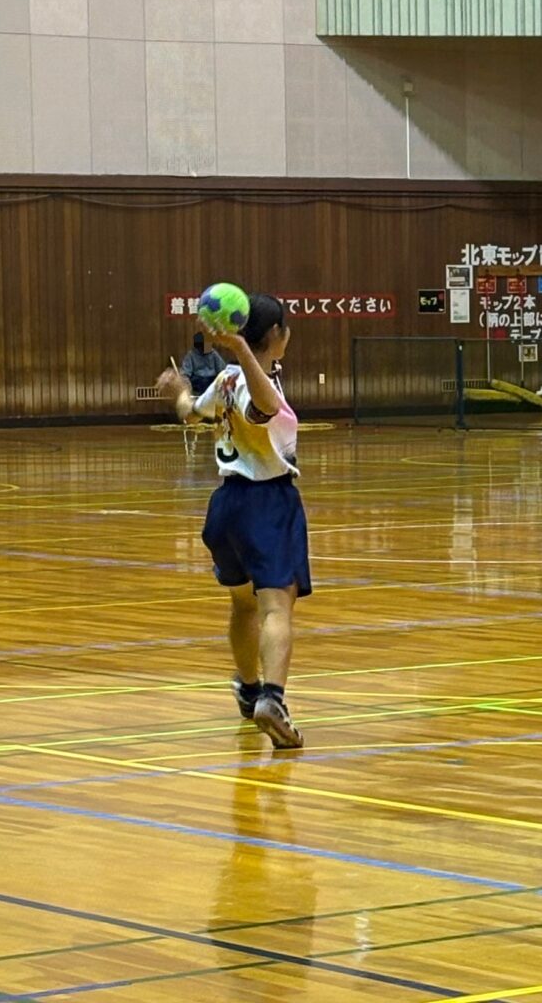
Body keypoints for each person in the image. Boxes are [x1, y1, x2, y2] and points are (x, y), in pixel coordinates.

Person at [157, 294, 310, 749]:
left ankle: (248, 688)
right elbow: (262, 407)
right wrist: (240, 348)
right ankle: (272, 699)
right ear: (277, 334)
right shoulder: (254, 383)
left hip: (226, 507)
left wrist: (179, 390)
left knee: (243, 606)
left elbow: (191, 413)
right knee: (276, 607)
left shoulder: (225, 379)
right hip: (267, 504)